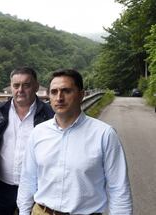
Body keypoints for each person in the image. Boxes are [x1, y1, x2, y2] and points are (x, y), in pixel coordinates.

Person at [17, 69, 133, 215]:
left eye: (66, 91)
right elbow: (28, 179)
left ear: (81, 94)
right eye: (54, 92)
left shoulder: (104, 134)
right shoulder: (38, 133)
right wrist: (24, 211)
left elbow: (118, 187)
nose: (59, 97)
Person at [0, 67, 54, 215]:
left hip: (38, 188)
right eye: (16, 85)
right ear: (11, 87)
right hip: (1, 187)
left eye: (26, 85)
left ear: (36, 86)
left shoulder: (50, 114)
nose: (20, 90)